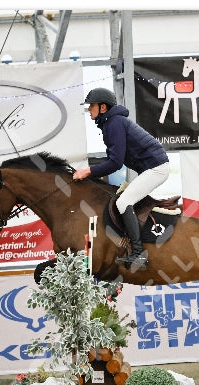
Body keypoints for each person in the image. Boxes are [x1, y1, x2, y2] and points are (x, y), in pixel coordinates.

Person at [72, 87, 169, 271]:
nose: (89, 109)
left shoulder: (114, 123)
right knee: (123, 199)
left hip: (156, 169)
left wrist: (88, 171)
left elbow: (115, 163)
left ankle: (139, 254)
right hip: (151, 168)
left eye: (91, 105)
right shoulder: (110, 123)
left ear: (103, 107)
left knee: (123, 202)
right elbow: (113, 160)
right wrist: (90, 172)